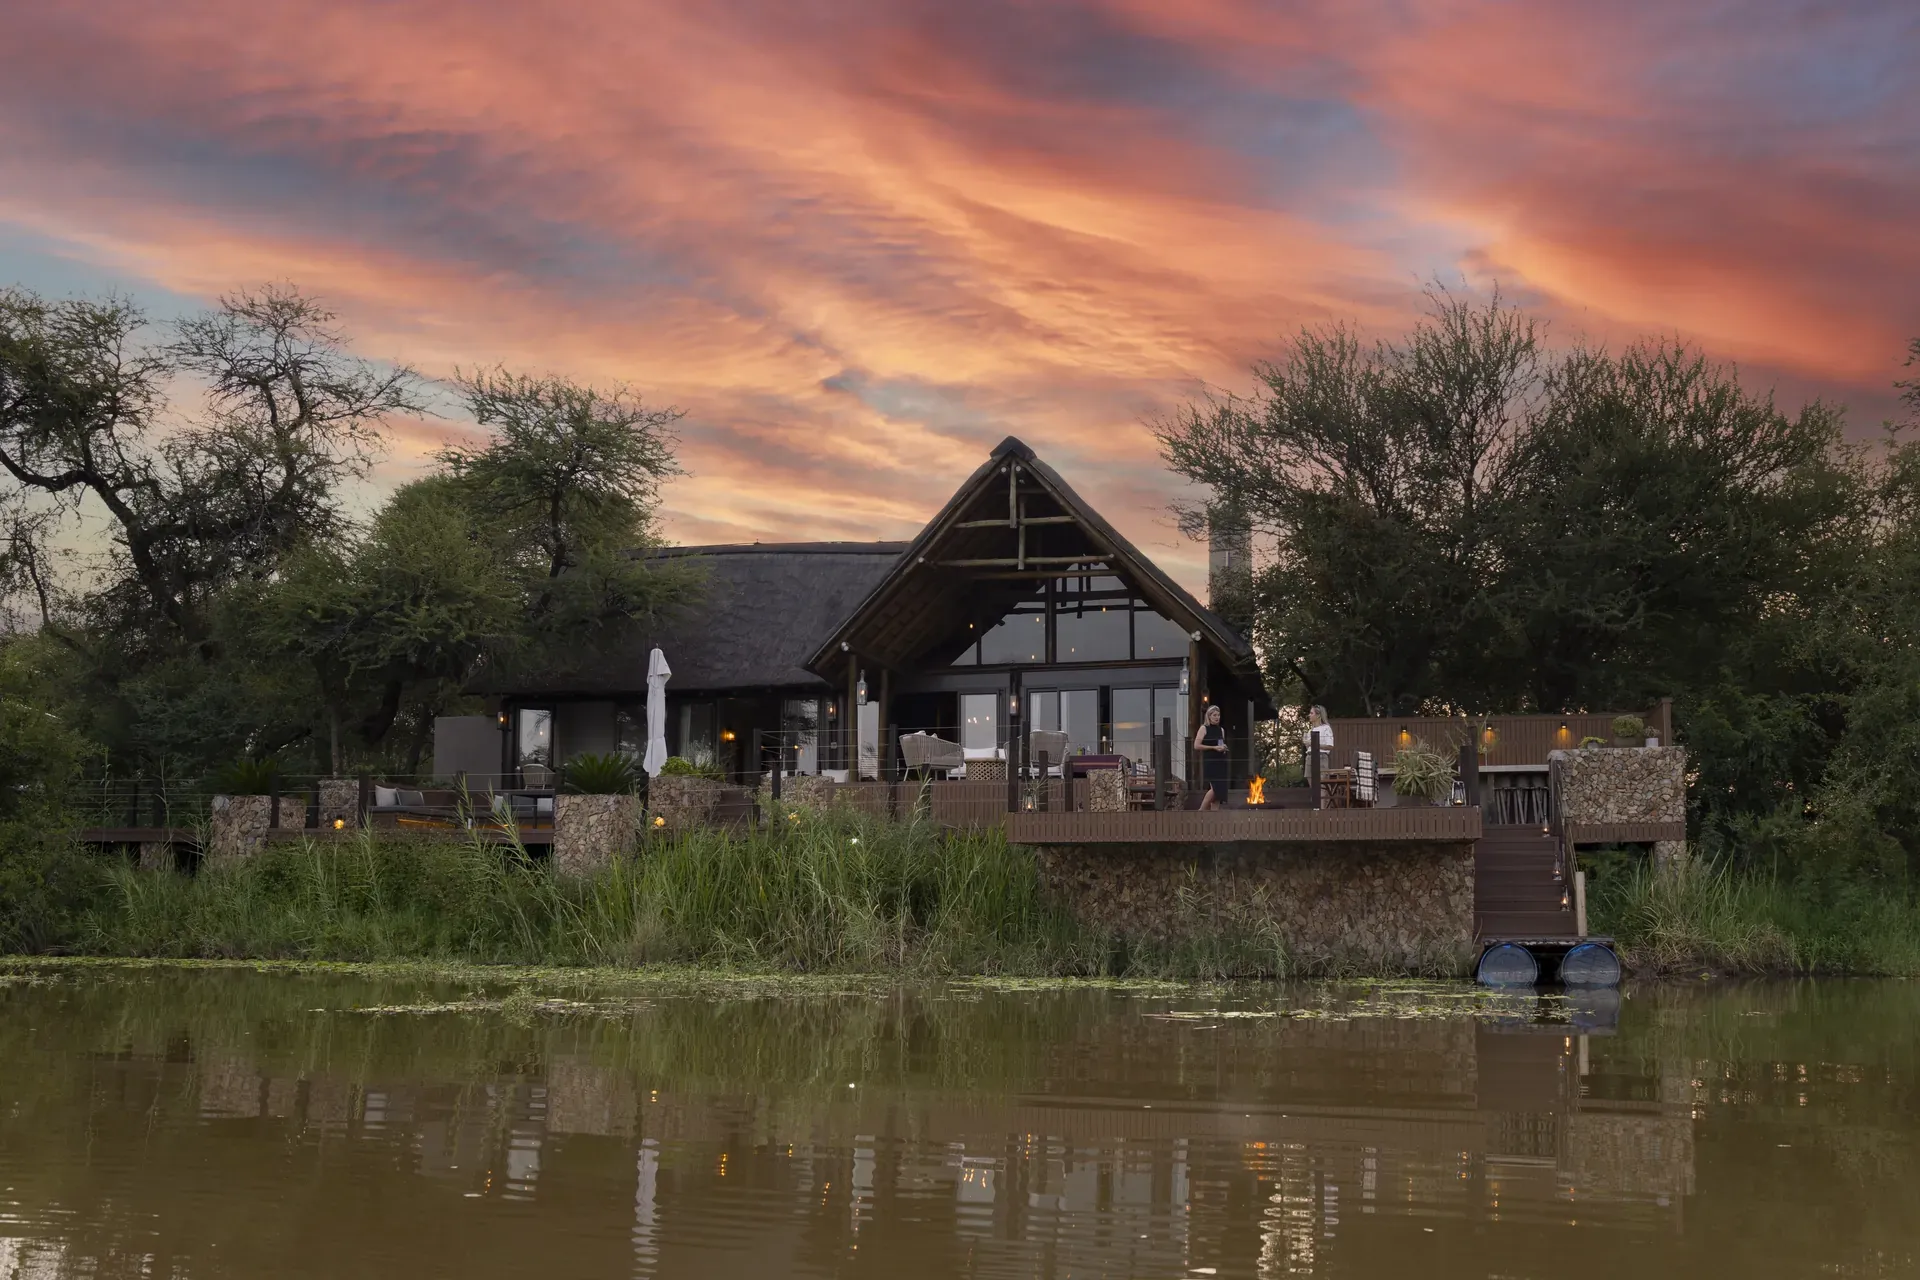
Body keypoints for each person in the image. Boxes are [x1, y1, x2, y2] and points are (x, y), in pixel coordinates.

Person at [1194, 703, 1230, 809]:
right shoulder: (1204, 728)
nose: (1217, 717)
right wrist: (1213, 748)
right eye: (1214, 715)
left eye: (1218, 715)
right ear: (1209, 716)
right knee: (1215, 789)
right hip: (1210, 762)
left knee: (1220, 792)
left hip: (1221, 762)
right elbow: (1196, 745)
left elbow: (1220, 744)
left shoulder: (1221, 730)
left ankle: (1214, 815)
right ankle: (1201, 811)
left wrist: (1223, 747)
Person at [1303, 705, 1332, 774]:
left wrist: (1313, 743)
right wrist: (1306, 743)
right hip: (1309, 757)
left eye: (1311, 713)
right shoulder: (1310, 730)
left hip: (1321, 757)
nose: (1309, 715)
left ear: (1318, 715)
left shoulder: (1326, 728)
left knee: (1321, 779)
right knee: (1309, 778)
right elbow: (1309, 747)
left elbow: (1330, 746)